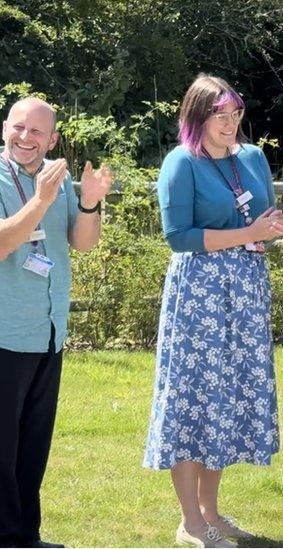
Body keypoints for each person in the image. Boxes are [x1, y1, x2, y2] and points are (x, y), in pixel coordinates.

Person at [143, 74, 283, 548]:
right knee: (194, 400)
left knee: (224, 398)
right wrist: (246, 236)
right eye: (219, 115)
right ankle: (190, 522)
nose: (229, 124)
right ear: (197, 117)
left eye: (236, 114)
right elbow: (178, 237)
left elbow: (265, 214)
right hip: (199, 295)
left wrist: (270, 230)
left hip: (245, 289)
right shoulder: (181, 163)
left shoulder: (251, 157)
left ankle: (211, 513)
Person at [0, 97, 113, 548]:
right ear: (5, 127)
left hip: (48, 332)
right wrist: (41, 199)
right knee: (1, 450)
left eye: (36, 132)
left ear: (53, 139)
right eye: (18, 127)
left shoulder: (58, 178)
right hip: (6, 333)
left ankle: (26, 534)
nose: (25, 138)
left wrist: (88, 202)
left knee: (32, 446)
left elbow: (82, 244)